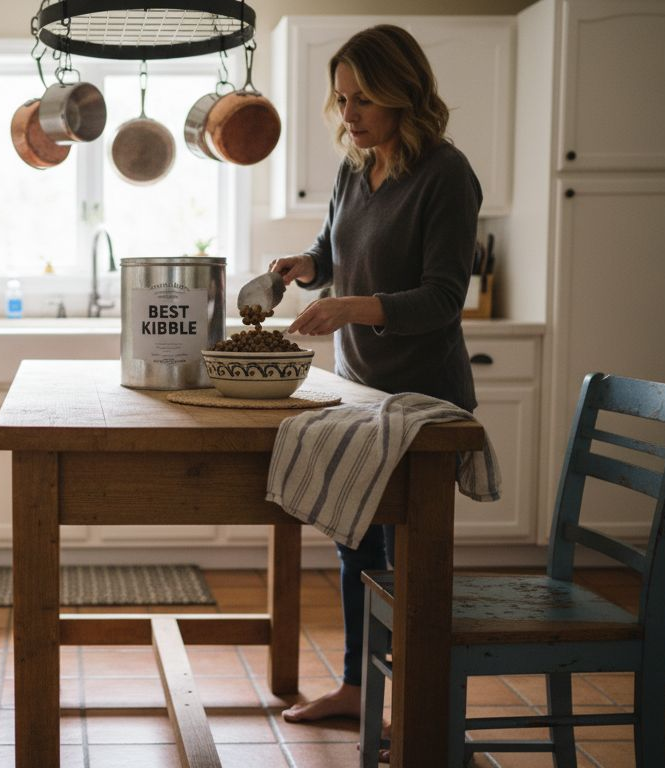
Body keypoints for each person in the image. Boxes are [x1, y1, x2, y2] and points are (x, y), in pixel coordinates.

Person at [269, 24, 482, 732]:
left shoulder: (447, 175)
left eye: (363, 99)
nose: (350, 114)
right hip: (359, 392)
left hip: (423, 399)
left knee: (403, 557)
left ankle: (412, 710)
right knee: (354, 540)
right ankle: (362, 690)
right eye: (342, 99)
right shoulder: (354, 170)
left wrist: (352, 307)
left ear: (403, 93)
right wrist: (304, 267)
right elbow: (332, 251)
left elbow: (444, 297)